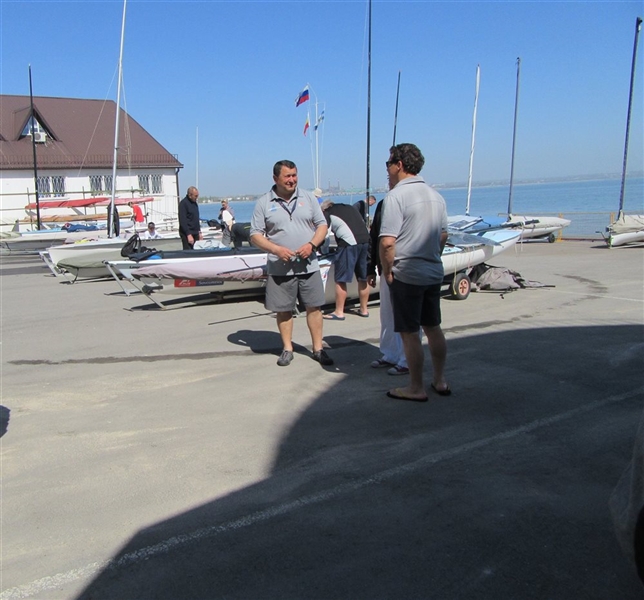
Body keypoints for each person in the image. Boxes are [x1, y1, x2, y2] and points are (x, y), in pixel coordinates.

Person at [379, 143, 450, 401]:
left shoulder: (396, 196)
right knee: (433, 327)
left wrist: (388, 271)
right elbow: (443, 235)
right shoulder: (436, 196)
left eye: (389, 163)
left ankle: (416, 387)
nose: (387, 169)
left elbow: (388, 242)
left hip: (407, 273)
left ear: (399, 165)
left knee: (409, 333)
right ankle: (440, 379)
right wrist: (433, 256)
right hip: (432, 271)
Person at [250, 160, 333, 367]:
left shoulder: (308, 197)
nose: (292, 180)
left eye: (294, 175)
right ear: (275, 178)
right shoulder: (263, 202)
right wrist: (276, 250)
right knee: (283, 309)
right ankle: (287, 349)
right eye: (287, 176)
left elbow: (322, 225)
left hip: (308, 265)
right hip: (280, 268)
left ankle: (318, 349)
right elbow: (255, 235)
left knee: (314, 307)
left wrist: (312, 245)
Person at [366, 199, 412, 376]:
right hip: (386, 268)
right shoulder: (384, 204)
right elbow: (375, 236)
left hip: (406, 267)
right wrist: (370, 268)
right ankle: (391, 354)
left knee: (407, 317)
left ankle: (407, 359)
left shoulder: (412, 201)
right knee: (387, 314)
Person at [320, 200, 370, 320]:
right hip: (365, 241)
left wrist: (320, 249)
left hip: (348, 243)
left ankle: (339, 311)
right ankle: (364, 309)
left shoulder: (327, 212)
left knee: (341, 278)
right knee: (363, 277)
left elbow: (324, 235)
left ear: (324, 209)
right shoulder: (350, 207)